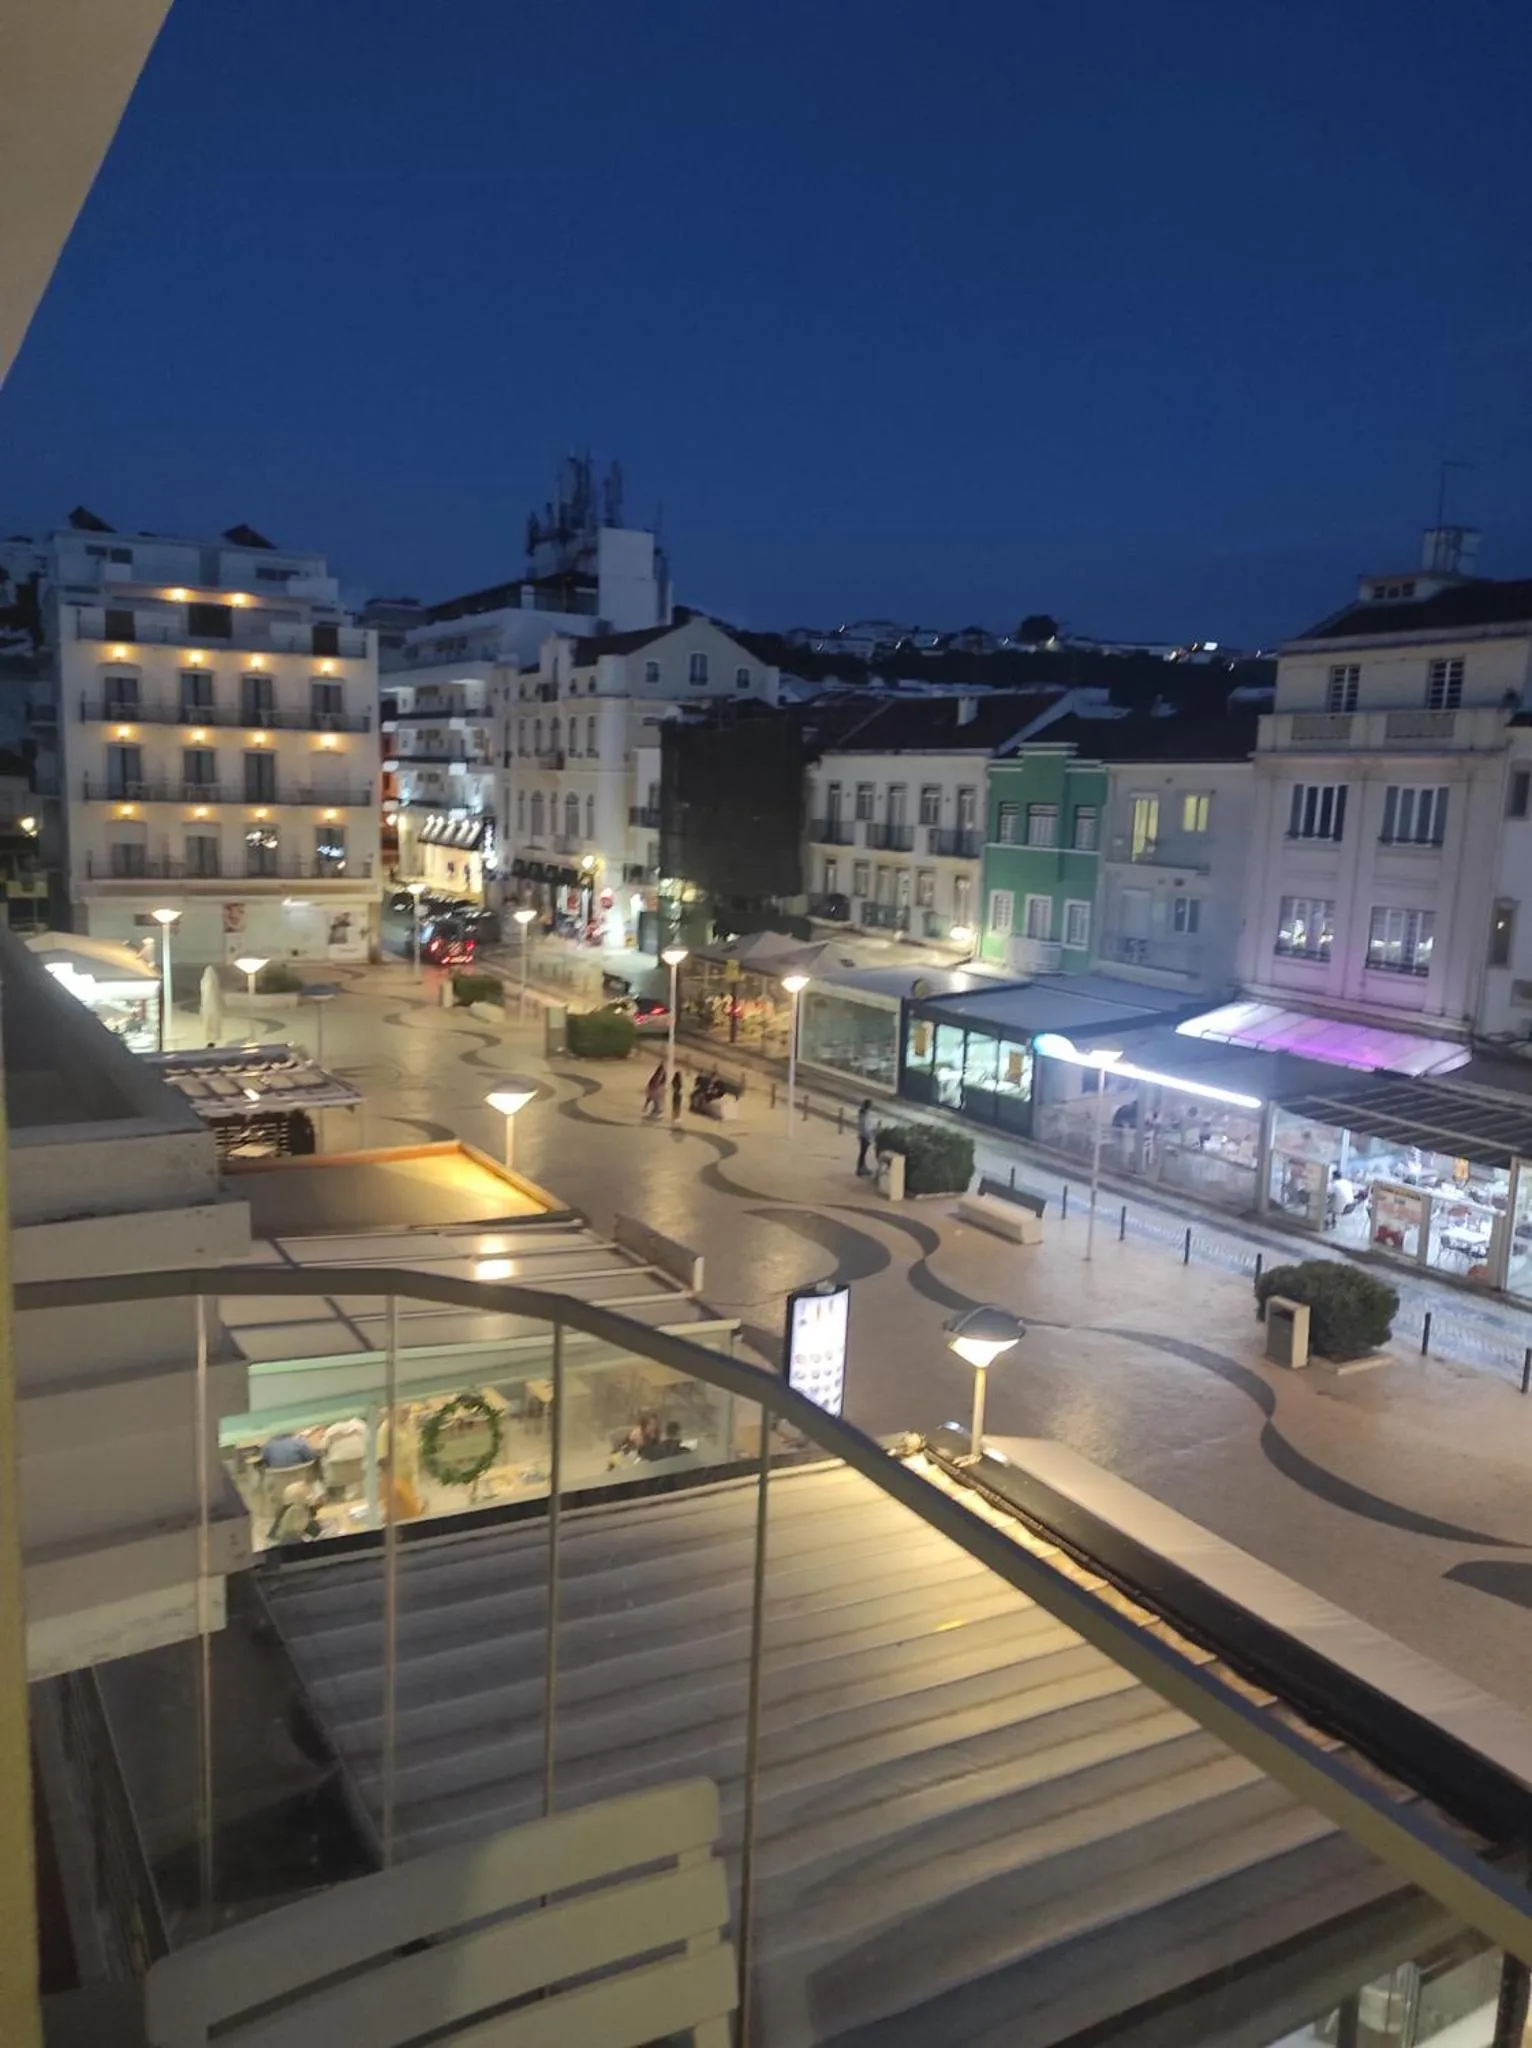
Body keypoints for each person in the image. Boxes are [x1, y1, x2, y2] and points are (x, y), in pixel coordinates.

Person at [856, 1099, 876, 1177]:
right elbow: (866, 1126)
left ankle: (862, 1168)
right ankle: (860, 1169)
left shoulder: (862, 1113)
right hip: (866, 1136)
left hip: (862, 1135)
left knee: (862, 1153)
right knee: (863, 1153)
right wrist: (870, 1135)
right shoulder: (866, 1115)